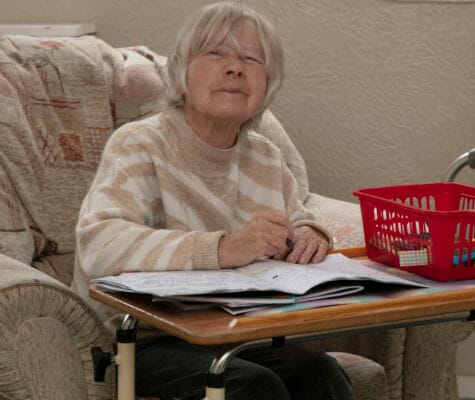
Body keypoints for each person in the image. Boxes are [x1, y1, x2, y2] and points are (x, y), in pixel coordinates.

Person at [72, 2, 354, 399]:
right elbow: (100, 244)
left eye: (250, 59)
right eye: (216, 53)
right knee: (251, 386)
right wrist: (223, 249)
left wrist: (310, 235)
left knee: (319, 372)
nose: (235, 67)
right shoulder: (139, 145)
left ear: (267, 84)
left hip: (233, 332)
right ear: (181, 73)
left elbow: (298, 218)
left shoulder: (266, 158)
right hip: (144, 340)